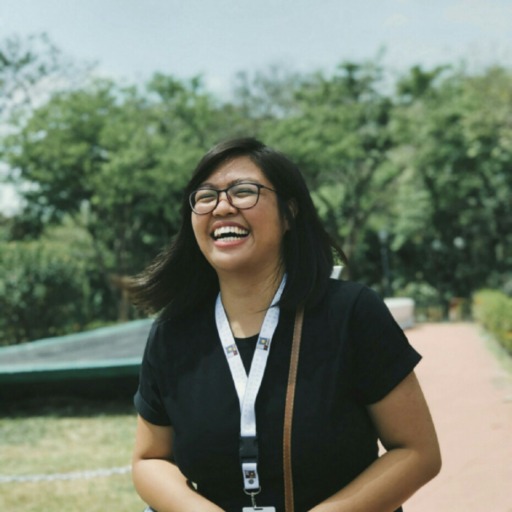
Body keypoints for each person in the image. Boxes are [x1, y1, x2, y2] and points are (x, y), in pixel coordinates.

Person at [128, 137, 441, 512]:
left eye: (244, 191)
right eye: (206, 196)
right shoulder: (173, 332)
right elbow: (149, 460)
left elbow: (417, 452)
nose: (222, 206)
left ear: (289, 213)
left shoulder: (351, 313)